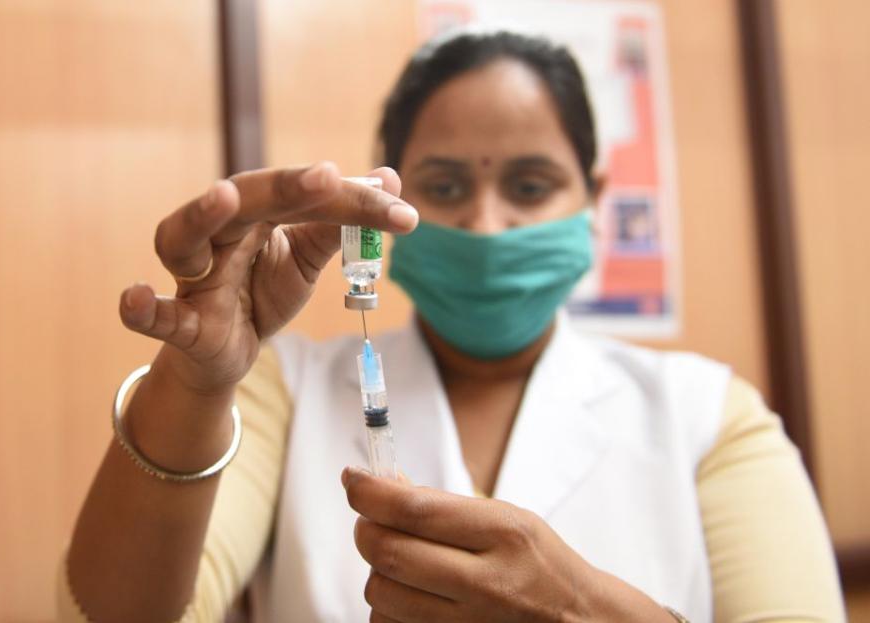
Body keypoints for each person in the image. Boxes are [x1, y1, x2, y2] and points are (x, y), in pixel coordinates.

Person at [59, 31, 845, 622]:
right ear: (386, 205)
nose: (486, 222)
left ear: (593, 198)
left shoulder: (708, 418)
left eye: (532, 185)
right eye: (442, 184)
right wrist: (197, 381)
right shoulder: (284, 389)